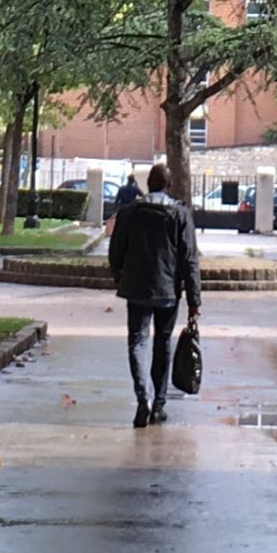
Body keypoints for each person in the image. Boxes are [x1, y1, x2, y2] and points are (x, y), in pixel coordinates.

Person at [106, 162, 202, 427]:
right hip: (168, 289)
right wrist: (194, 299)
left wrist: (121, 278)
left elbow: (115, 252)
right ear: (169, 186)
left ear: (148, 184)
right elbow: (189, 258)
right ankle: (158, 404)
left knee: (137, 342)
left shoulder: (129, 213)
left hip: (137, 287)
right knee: (162, 343)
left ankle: (143, 396)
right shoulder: (180, 215)